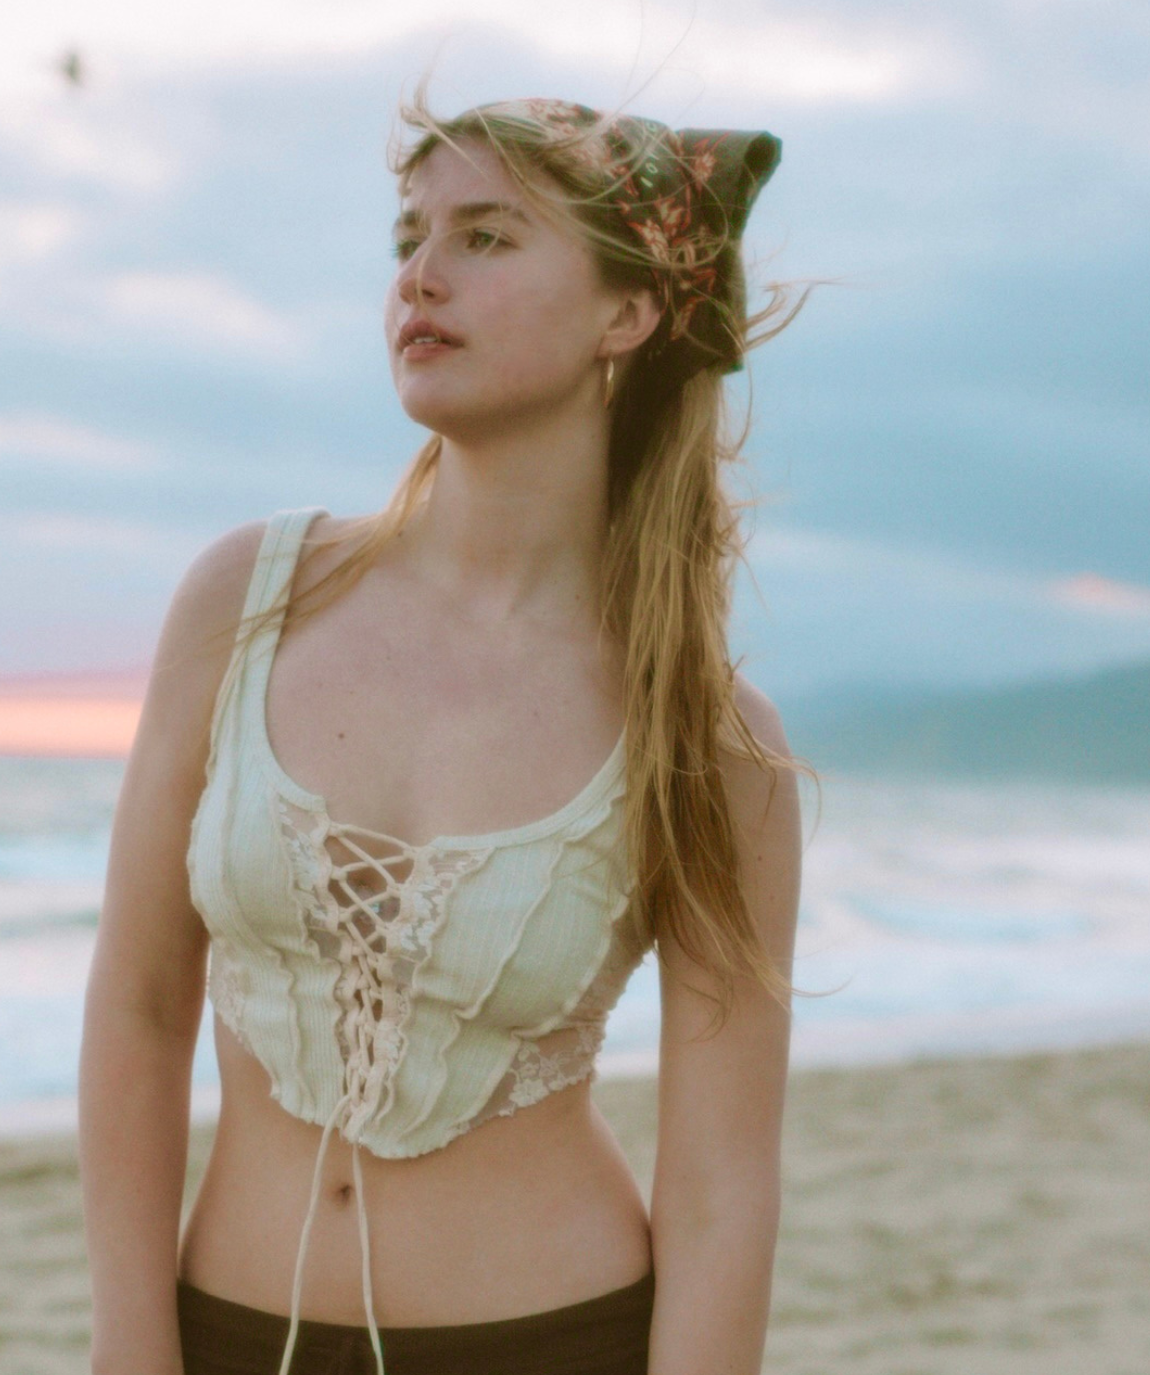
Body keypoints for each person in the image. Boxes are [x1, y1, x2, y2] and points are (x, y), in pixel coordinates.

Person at [79, 89, 812, 1375]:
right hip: (227, 1332)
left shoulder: (708, 743)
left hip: (555, 1340)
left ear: (625, 314)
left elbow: (719, 1188)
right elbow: (141, 1006)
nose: (419, 275)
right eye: (410, 235)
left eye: (485, 237)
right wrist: (131, 1343)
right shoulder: (245, 601)